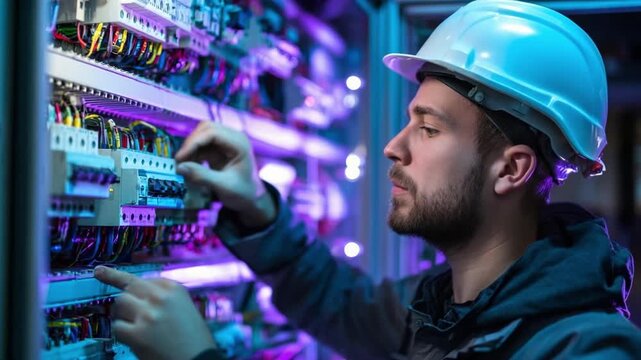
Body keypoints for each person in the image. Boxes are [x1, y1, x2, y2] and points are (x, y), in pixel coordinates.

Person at [95, 0, 641, 359]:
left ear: (512, 169)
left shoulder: (586, 350)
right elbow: (338, 301)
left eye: (427, 128)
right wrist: (257, 207)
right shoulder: (444, 307)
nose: (392, 146)